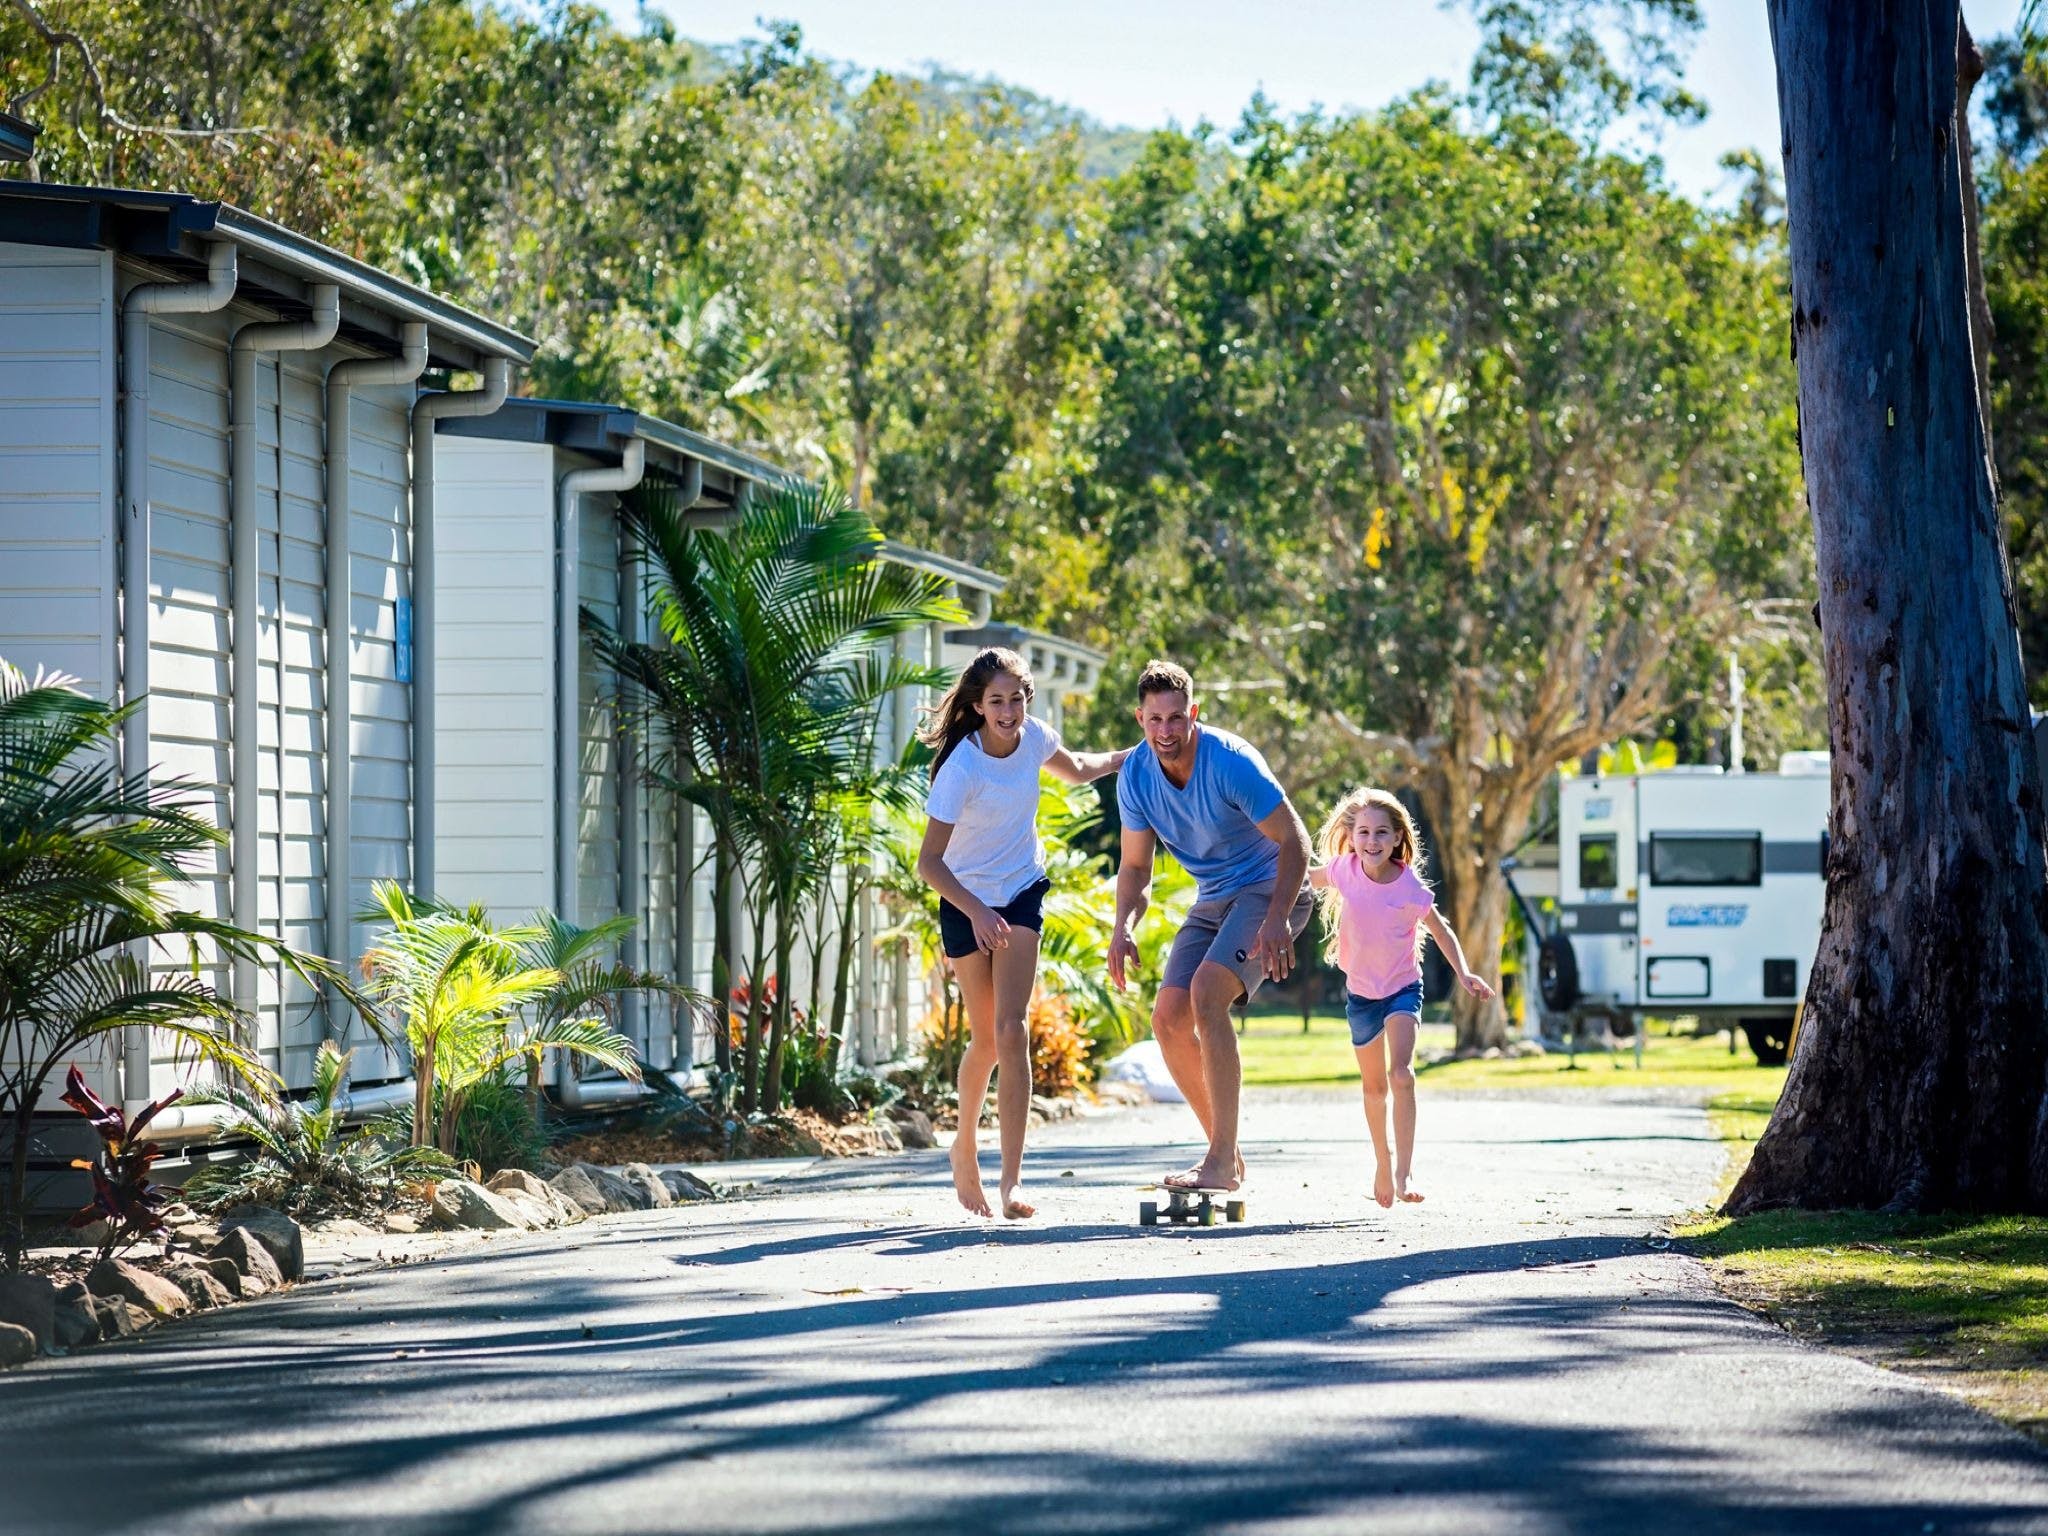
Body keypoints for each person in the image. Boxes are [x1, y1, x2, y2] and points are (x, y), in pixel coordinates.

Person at [916, 647, 1129, 1219]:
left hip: (1020, 891)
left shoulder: (1034, 737)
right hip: (964, 900)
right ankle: (964, 1148)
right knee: (985, 1040)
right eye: (997, 701)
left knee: (1012, 1030)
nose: (1009, 710)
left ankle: (1011, 1182)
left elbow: (1080, 768)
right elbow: (929, 864)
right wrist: (978, 912)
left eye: (1016, 698)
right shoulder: (962, 767)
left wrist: (1135, 754)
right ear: (978, 707)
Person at [1106, 660, 1313, 1193]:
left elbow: (1295, 840)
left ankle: (1218, 1161)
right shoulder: (1135, 776)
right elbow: (1134, 869)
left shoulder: (1229, 762)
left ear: (1193, 713)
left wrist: (1275, 921)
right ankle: (1227, 1157)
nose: (1166, 731)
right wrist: (1122, 926)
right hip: (1214, 898)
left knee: (1206, 995)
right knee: (1169, 1018)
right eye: (1155, 720)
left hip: (1271, 888)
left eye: (1176, 718)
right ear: (1140, 719)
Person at [1310, 786, 1495, 1207]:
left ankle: (1405, 1170)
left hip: (1402, 989)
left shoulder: (1407, 885)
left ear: (1397, 839)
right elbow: (1302, 880)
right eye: (1363, 832)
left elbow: (1440, 927)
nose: (1371, 841)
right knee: (1374, 1089)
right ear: (1352, 836)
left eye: (1381, 833)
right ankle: (1382, 1160)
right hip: (1361, 996)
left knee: (1402, 1075)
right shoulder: (1343, 870)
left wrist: (1463, 973)